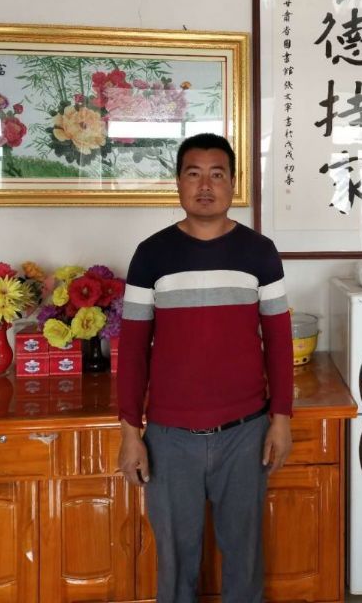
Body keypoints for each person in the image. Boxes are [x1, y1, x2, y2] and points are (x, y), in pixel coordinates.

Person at [117, 133, 293, 603]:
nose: (205, 185)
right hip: (169, 438)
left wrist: (280, 420)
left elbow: (278, 343)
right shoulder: (151, 254)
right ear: (178, 182)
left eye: (217, 174)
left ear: (233, 183)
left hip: (246, 433)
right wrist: (131, 433)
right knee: (175, 565)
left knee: (244, 560)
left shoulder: (260, 252)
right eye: (194, 174)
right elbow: (132, 350)